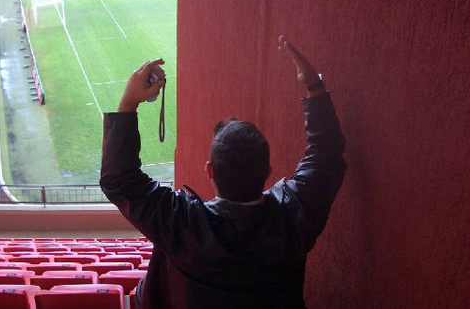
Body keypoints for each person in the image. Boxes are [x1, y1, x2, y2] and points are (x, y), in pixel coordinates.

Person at [100, 35, 346, 309]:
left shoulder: (182, 224)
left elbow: (119, 180)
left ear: (210, 170)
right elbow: (327, 155)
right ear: (268, 171)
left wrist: (128, 102)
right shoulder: (294, 218)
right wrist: (314, 86)